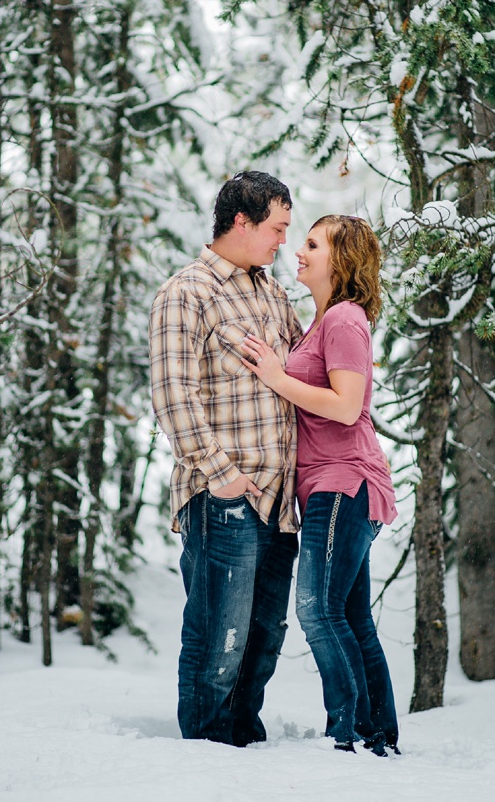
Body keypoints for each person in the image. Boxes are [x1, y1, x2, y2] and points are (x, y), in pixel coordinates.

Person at [149, 170, 303, 747]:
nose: (283, 240)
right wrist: (223, 476)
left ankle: (245, 750)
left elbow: (301, 369)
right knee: (221, 636)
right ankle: (207, 755)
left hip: (278, 503)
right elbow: (172, 397)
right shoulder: (186, 292)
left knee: (264, 636)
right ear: (242, 221)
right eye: (277, 228)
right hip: (224, 498)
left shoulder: (270, 292)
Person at [240, 214, 400, 756]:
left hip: (343, 482)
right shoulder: (323, 320)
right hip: (327, 487)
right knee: (350, 615)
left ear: (342, 259)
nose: (299, 251)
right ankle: (379, 735)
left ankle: (349, 732)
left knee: (316, 608)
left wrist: (277, 377)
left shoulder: (345, 319)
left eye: (312, 244)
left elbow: (347, 405)